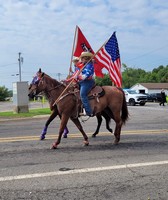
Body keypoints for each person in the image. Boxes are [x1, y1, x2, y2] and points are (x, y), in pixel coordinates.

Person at [77, 51, 95, 117]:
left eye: (82, 59)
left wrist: (78, 76)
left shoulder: (89, 65)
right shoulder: (84, 66)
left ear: (86, 58)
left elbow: (85, 76)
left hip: (88, 82)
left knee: (82, 94)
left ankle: (88, 111)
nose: (81, 60)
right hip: (82, 82)